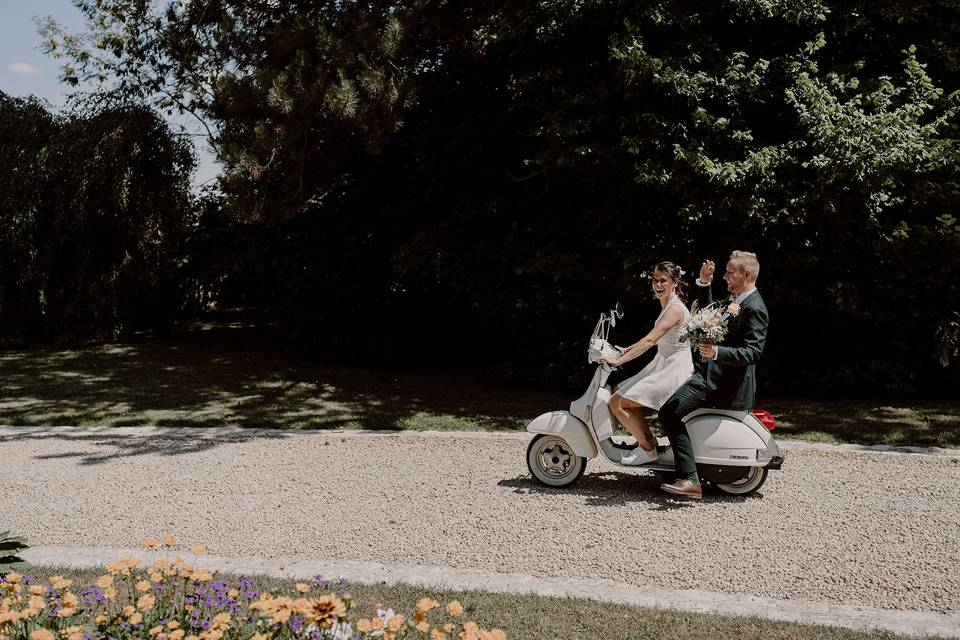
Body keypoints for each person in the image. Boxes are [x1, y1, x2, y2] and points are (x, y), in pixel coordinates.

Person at [658, 251, 769, 499]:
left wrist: (718, 351)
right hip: (707, 375)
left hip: (720, 384)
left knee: (669, 412)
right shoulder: (737, 299)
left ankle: (689, 479)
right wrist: (704, 283)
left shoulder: (754, 307)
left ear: (747, 274)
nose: (725, 275)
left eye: (730, 272)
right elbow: (709, 315)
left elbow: (753, 352)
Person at [600, 261, 695, 465]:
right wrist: (628, 348)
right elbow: (655, 338)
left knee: (616, 402)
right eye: (655, 280)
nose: (658, 285)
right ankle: (648, 441)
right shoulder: (668, 305)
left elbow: (650, 341)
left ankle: (647, 449)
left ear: (674, 282)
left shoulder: (674, 309)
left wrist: (618, 361)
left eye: (663, 280)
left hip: (672, 368)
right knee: (618, 389)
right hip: (664, 362)